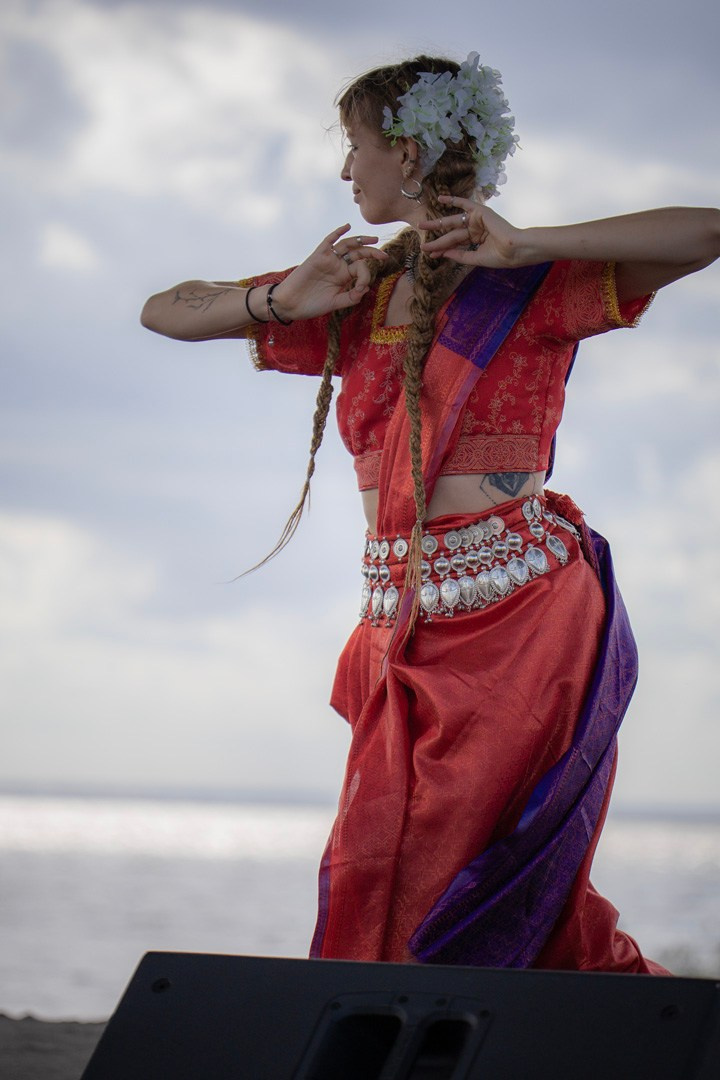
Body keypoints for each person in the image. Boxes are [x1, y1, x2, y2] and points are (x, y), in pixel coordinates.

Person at [141, 54, 719, 972]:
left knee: (475, 866)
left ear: (405, 153)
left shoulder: (527, 283)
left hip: (521, 624)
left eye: (355, 147)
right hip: (401, 630)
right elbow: (162, 312)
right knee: (384, 856)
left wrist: (526, 244)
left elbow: (707, 230)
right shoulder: (347, 288)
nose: (344, 172)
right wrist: (277, 298)